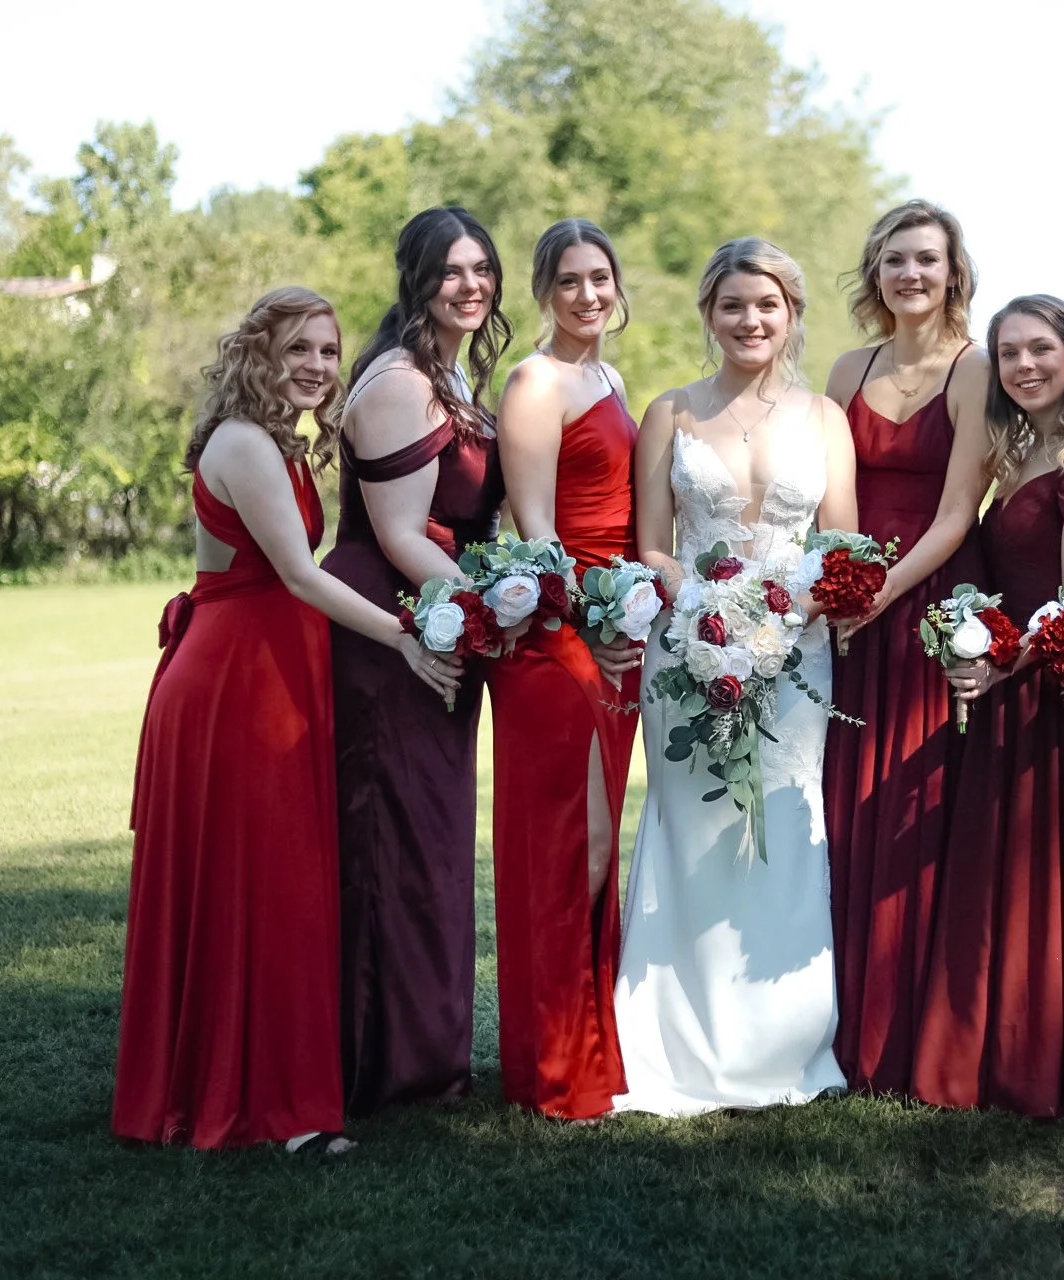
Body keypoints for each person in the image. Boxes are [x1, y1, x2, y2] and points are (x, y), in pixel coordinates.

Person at [115, 287, 436, 1155]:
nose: (318, 368)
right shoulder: (244, 445)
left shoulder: (284, 445)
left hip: (273, 675)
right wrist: (404, 636)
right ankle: (275, 1111)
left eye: (330, 352)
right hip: (235, 688)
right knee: (262, 889)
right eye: (300, 349)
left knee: (278, 886)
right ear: (258, 352)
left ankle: (260, 1086)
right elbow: (298, 573)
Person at [612, 238, 859, 1115]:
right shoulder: (669, 412)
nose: (749, 321)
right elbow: (648, 542)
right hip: (689, 647)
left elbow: (839, 547)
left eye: (767, 305)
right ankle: (681, 1040)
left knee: (787, 830)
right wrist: (697, 601)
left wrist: (785, 612)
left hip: (796, 654)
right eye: (732, 305)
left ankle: (783, 1044)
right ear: (708, 313)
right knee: (693, 830)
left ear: (791, 314)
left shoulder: (826, 416)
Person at [912, 296, 1064, 1116]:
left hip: (1055, 697)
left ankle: (1042, 1062)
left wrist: (1006, 665)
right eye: (1008, 354)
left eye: (1040, 349)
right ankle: (990, 1052)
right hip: (1006, 689)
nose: (1025, 366)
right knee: (997, 875)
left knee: (1048, 877)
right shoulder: (1021, 454)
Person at [321, 207, 509, 1116]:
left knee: (428, 835)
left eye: (482, 268)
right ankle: (380, 1063)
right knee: (391, 835)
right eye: (450, 270)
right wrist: (487, 614)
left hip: (437, 615)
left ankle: (423, 1053)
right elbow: (400, 535)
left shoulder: (452, 372)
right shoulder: (398, 380)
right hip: (391, 624)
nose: (470, 285)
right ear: (416, 279)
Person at [821, 200, 993, 1094]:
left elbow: (959, 511)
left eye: (927, 259)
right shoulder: (848, 368)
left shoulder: (975, 369)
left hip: (929, 598)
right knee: (846, 803)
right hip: (850, 605)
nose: (911, 275)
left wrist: (881, 592)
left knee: (913, 799)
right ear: (875, 273)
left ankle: (910, 1029)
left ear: (953, 270)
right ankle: (841, 1020)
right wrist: (836, 585)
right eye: (895, 260)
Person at [488, 219, 642, 1121]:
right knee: (566, 852)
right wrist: (596, 613)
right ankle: (551, 1067)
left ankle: (593, 1049)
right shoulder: (535, 382)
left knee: (597, 850)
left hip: (616, 629)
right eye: (570, 281)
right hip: (560, 638)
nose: (589, 295)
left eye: (600, 279)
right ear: (544, 292)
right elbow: (536, 532)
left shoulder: (610, 378)